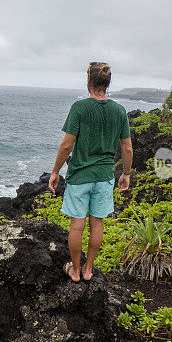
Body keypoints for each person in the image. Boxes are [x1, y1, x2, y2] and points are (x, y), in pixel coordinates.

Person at [49, 62, 133, 282]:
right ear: (108, 83)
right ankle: (88, 270)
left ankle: (75, 271)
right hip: (105, 176)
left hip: (79, 176)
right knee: (97, 224)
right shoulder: (119, 110)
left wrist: (55, 171)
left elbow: (67, 145)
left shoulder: (80, 108)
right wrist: (126, 173)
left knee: (77, 226)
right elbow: (127, 147)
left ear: (89, 82)